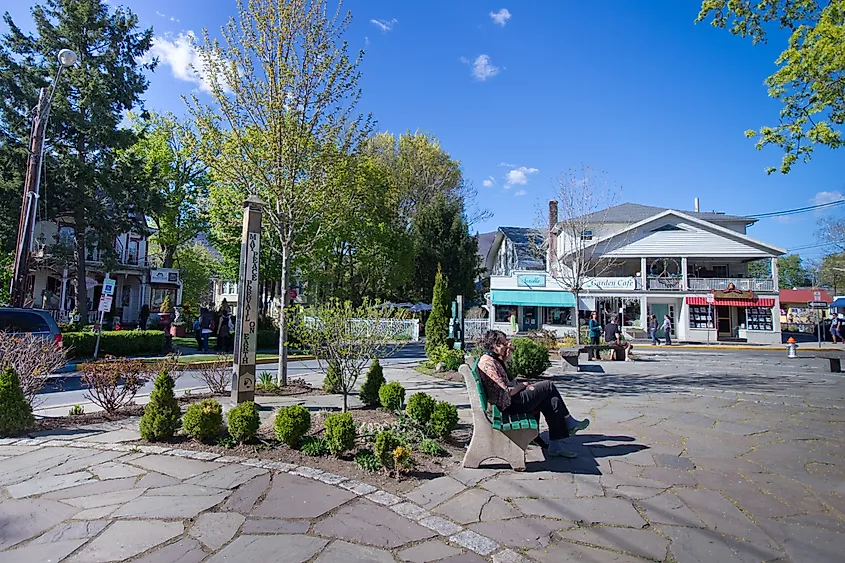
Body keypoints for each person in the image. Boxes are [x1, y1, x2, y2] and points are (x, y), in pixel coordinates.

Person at [476, 330, 590, 458]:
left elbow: (508, 381)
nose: (507, 345)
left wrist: (506, 359)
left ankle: (556, 445)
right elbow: (507, 391)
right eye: (503, 343)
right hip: (509, 404)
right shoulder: (487, 363)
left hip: (509, 401)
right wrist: (522, 386)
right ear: (494, 345)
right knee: (548, 386)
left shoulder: (493, 359)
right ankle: (568, 423)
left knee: (550, 400)